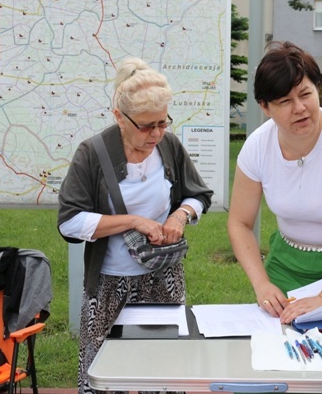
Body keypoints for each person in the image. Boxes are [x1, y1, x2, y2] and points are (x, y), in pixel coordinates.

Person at [57, 57, 213, 394]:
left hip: (163, 278)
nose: (156, 134)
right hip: (108, 284)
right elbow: (70, 222)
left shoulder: (168, 146)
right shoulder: (92, 153)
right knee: (100, 375)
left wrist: (180, 215)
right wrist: (132, 221)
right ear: (119, 117)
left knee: (164, 373)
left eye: (162, 122)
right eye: (145, 126)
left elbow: (199, 195)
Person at [227, 41, 322, 324]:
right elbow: (239, 222)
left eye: (306, 94)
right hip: (284, 264)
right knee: (279, 349)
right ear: (265, 107)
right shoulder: (257, 146)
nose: (300, 108)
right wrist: (262, 285)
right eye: (285, 102)